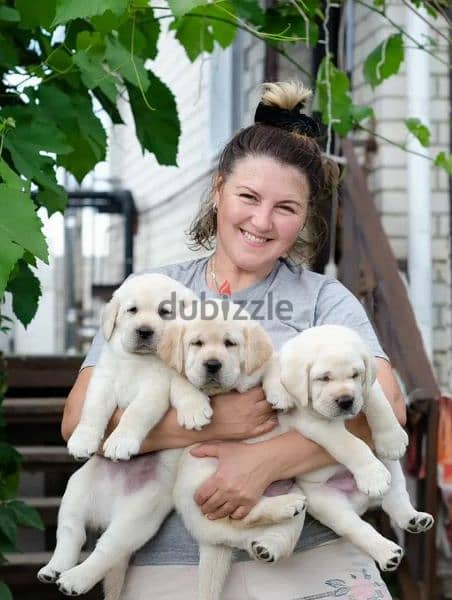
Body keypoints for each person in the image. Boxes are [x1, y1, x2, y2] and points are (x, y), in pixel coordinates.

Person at [62, 81, 405, 599]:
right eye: (248, 197)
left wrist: (265, 462)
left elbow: (387, 409)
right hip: (167, 555)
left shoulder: (323, 300)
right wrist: (224, 423)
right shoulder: (157, 296)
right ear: (219, 190)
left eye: (286, 208)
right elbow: (79, 419)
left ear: (305, 216)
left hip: (311, 551)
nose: (262, 221)